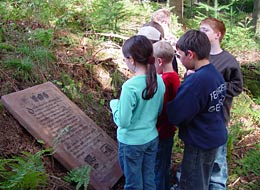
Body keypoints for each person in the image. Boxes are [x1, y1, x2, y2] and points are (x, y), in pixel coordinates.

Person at [166, 30, 228, 190]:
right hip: (214, 136)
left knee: (193, 183)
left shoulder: (196, 82)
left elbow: (177, 114)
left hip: (200, 141)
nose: (179, 60)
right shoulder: (213, 73)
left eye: (180, 56)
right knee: (206, 179)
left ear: (190, 54)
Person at [110, 35, 165, 190]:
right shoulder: (159, 80)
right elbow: (159, 109)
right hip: (151, 138)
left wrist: (114, 106)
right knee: (149, 179)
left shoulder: (130, 87)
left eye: (125, 59)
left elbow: (123, 122)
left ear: (131, 60)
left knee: (133, 183)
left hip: (131, 142)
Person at [200, 17, 243, 190]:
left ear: (217, 35)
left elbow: (237, 87)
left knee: (217, 163)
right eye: (200, 29)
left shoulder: (228, 61)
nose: (201, 33)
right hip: (199, 119)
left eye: (205, 30)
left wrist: (217, 86)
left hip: (218, 119)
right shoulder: (200, 56)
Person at [153, 41, 180, 190]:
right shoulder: (174, 76)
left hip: (161, 131)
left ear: (159, 61)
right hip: (169, 130)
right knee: (163, 167)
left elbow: (159, 108)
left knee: (157, 168)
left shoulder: (164, 81)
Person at [151, 8, 179, 73]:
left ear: (164, 23)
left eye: (156, 25)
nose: (155, 28)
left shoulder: (171, 41)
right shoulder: (154, 38)